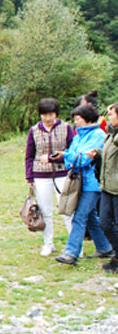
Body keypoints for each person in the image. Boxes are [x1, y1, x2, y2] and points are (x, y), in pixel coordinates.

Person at [55, 104, 114, 265]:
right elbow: (72, 157)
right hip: (79, 181)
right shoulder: (78, 136)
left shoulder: (98, 135)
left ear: (87, 119)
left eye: (78, 119)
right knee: (89, 217)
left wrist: (67, 155)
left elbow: (84, 159)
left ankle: (71, 252)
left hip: (92, 183)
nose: (75, 122)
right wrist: (69, 156)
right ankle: (105, 247)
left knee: (79, 216)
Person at [25, 98, 74, 256]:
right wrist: (29, 177)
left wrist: (56, 159)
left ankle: (74, 245)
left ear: (56, 114)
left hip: (63, 173)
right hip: (41, 174)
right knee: (45, 210)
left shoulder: (66, 128)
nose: (48, 118)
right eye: (44, 115)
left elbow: (72, 151)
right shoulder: (34, 130)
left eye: (51, 114)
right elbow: (29, 155)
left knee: (67, 209)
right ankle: (48, 243)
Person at [90, 103, 118, 273]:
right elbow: (109, 154)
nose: (108, 117)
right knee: (105, 223)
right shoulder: (110, 134)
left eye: (111, 114)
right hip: (107, 186)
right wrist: (98, 153)